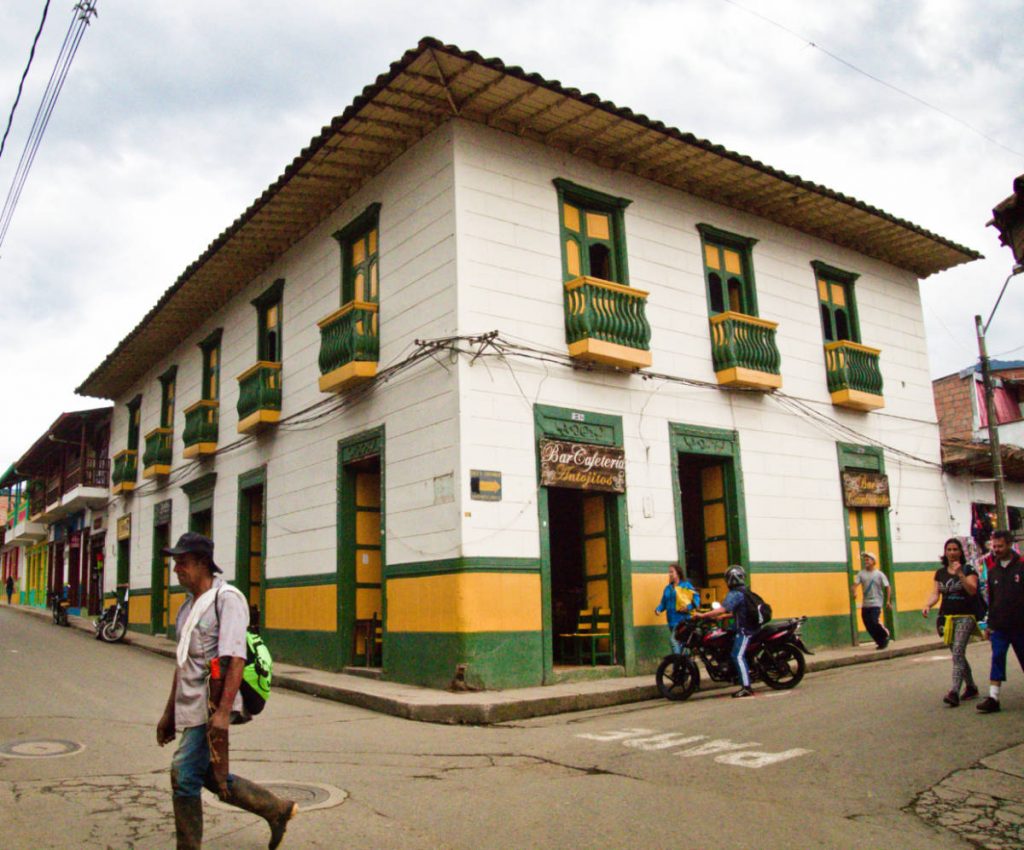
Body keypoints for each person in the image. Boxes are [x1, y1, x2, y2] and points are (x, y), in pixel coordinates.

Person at [156, 532, 297, 849]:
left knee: (182, 773)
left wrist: (222, 712)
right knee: (203, 773)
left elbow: (236, 659)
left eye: (183, 562)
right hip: (190, 704)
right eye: (175, 562)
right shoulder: (187, 608)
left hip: (213, 704)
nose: (177, 569)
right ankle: (276, 809)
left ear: (203, 564)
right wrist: (169, 713)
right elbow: (183, 665)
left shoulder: (227, 600)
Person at [922, 538, 980, 707]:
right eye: (949, 549)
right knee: (958, 653)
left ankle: (954, 691)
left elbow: (972, 590)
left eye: (955, 549)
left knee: (957, 651)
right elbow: (936, 593)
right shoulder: (940, 573)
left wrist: (960, 573)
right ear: (945, 552)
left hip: (966, 617)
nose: (952, 553)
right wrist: (928, 604)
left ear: (961, 552)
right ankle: (971, 686)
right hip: (947, 618)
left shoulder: (969, 569)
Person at [976, 530, 1024, 714]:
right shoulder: (993, 570)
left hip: (1021, 625)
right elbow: (992, 600)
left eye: (1000, 546)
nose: (996, 550)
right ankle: (993, 697)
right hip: (1000, 627)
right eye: (993, 546)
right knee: (997, 658)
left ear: (1010, 545)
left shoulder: (1021, 566)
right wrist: (989, 625)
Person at [693, 565, 756, 698]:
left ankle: (746, 687)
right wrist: (723, 617)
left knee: (737, 655)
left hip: (745, 630)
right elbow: (738, 612)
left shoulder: (735, 593)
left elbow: (722, 609)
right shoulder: (744, 591)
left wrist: (703, 615)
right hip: (747, 627)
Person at [654, 563, 697, 654]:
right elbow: (663, 602)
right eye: (669, 572)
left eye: (671, 572)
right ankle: (685, 664)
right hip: (671, 621)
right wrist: (658, 609)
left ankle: (678, 662)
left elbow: (696, 598)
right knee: (682, 644)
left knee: (673, 641)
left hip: (683, 620)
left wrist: (688, 607)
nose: (669, 574)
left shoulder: (686, 585)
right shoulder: (668, 588)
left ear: (678, 573)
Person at [851, 552, 891, 649]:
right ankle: (880, 641)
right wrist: (854, 592)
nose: (866, 562)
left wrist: (888, 601)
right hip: (866, 603)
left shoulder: (879, 574)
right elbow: (854, 585)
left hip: (876, 602)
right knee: (867, 623)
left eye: (868, 560)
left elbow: (888, 587)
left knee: (873, 621)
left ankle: (885, 633)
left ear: (873, 561)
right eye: (865, 560)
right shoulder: (861, 573)